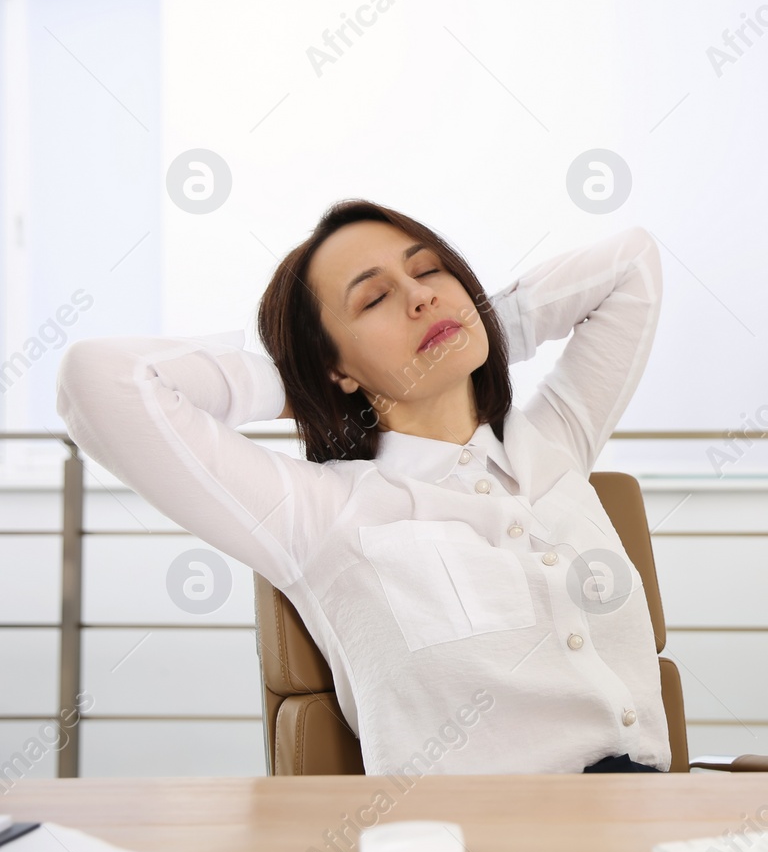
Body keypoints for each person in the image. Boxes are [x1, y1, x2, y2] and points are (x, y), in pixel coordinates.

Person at [55, 199, 669, 775]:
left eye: (429, 271)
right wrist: (298, 379)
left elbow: (632, 263)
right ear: (337, 367)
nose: (421, 297)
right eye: (374, 299)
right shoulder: (322, 512)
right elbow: (101, 380)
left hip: (654, 829)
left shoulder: (552, 446)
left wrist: (480, 323)